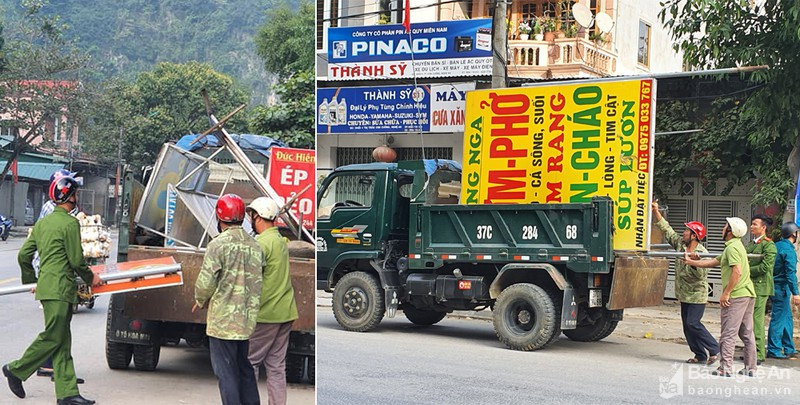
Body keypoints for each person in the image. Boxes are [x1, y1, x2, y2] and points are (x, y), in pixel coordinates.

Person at [2, 177, 102, 405]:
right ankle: (15, 370)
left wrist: (31, 281)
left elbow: (23, 255)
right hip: (60, 289)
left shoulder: (42, 224)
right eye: (75, 194)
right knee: (54, 336)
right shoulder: (69, 224)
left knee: (62, 340)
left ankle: (67, 393)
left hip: (48, 288)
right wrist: (92, 277)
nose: (77, 198)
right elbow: (77, 261)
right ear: (69, 197)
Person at [194, 194, 264, 405]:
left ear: (219, 216)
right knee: (244, 369)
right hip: (245, 322)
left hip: (223, 322)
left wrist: (200, 300)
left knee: (226, 373)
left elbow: (206, 283)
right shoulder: (255, 246)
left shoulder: (217, 245)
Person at [684, 217, 757, 377]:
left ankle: (725, 368)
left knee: (728, 333)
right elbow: (713, 262)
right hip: (747, 294)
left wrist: (726, 293)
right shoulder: (734, 246)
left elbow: (736, 271)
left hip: (736, 296)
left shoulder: (732, 249)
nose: (722, 228)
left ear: (730, 231)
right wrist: (692, 262)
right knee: (746, 333)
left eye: (725, 226)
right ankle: (750, 368)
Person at [651, 201, 719, 365]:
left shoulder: (702, 253)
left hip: (696, 295)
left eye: (687, 231)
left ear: (694, 236)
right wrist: (656, 211)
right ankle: (700, 355)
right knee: (687, 326)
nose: (684, 233)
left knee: (693, 323)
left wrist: (695, 263)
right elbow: (667, 230)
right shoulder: (681, 245)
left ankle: (715, 348)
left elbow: (702, 275)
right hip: (683, 294)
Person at [246, 197, 298, 405]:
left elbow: (250, 279)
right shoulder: (279, 240)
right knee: (276, 366)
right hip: (286, 313)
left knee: (249, 363)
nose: (250, 219)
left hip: (266, 314)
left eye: (251, 215)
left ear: (257, 216)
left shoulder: (260, 244)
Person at [33, 169, 80, 380]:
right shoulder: (51, 211)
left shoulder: (64, 213)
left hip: (54, 275)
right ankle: (19, 368)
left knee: (60, 329)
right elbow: (43, 244)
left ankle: (62, 378)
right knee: (54, 330)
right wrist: (36, 278)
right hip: (52, 276)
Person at [745, 213, 777, 365]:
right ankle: (751, 351)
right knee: (749, 320)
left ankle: (758, 353)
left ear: (763, 227)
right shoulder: (751, 244)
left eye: (755, 224)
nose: (751, 227)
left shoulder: (769, 245)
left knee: (756, 321)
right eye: (751, 224)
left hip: (761, 287)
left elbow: (766, 267)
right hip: (750, 286)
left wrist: (746, 271)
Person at [766, 222, 800, 360]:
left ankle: (789, 347)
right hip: (781, 288)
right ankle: (773, 349)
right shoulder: (789, 251)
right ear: (794, 234)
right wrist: (796, 293)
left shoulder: (777, 246)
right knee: (778, 318)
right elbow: (790, 274)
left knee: (786, 318)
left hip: (774, 286)